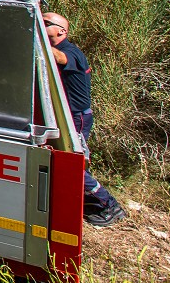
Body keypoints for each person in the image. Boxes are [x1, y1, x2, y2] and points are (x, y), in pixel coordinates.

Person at [44, 12, 127, 227]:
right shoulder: (61, 50)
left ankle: (109, 206)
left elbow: (59, 58)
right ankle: (88, 203)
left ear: (62, 31)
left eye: (45, 23)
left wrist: (34, 34)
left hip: (77, 118)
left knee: (73, 165)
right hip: (69, 116)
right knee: (71, 163)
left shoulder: (71, 52)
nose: (41, 25)